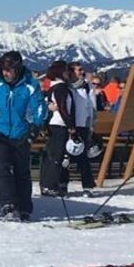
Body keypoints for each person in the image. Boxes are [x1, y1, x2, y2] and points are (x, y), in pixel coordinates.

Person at [0, 50, 46, 221]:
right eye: (3, 69)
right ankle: (8, 204)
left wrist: (35, 128)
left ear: (17, 69)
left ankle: (24, 207)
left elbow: (39, 107)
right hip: (0, 132)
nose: (5, 73)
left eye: (9, 70)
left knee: (21, 171)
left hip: (21, 133)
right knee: (1, 169)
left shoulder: (30, 84)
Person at [40, 61, 77, 197]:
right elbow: (63, 107)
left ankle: (47, 184)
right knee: (56, 156)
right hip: (59, 124)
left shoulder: (53, 87)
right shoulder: (61, 88)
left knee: (53, 155)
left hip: (53, 124)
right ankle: (50, 185)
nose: (69, 74)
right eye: (67, 71)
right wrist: (71, 125)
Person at [68, 62, 98, 195]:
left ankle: (87, 186)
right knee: (66, 156)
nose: (81, 72)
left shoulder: (87, 87)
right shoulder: (67, 86)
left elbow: (92, 107)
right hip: (69, 125)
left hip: (83, 125)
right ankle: (63, 184)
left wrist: (91, 124)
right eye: (78, 70)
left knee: (83, 157)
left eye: (81, 70)